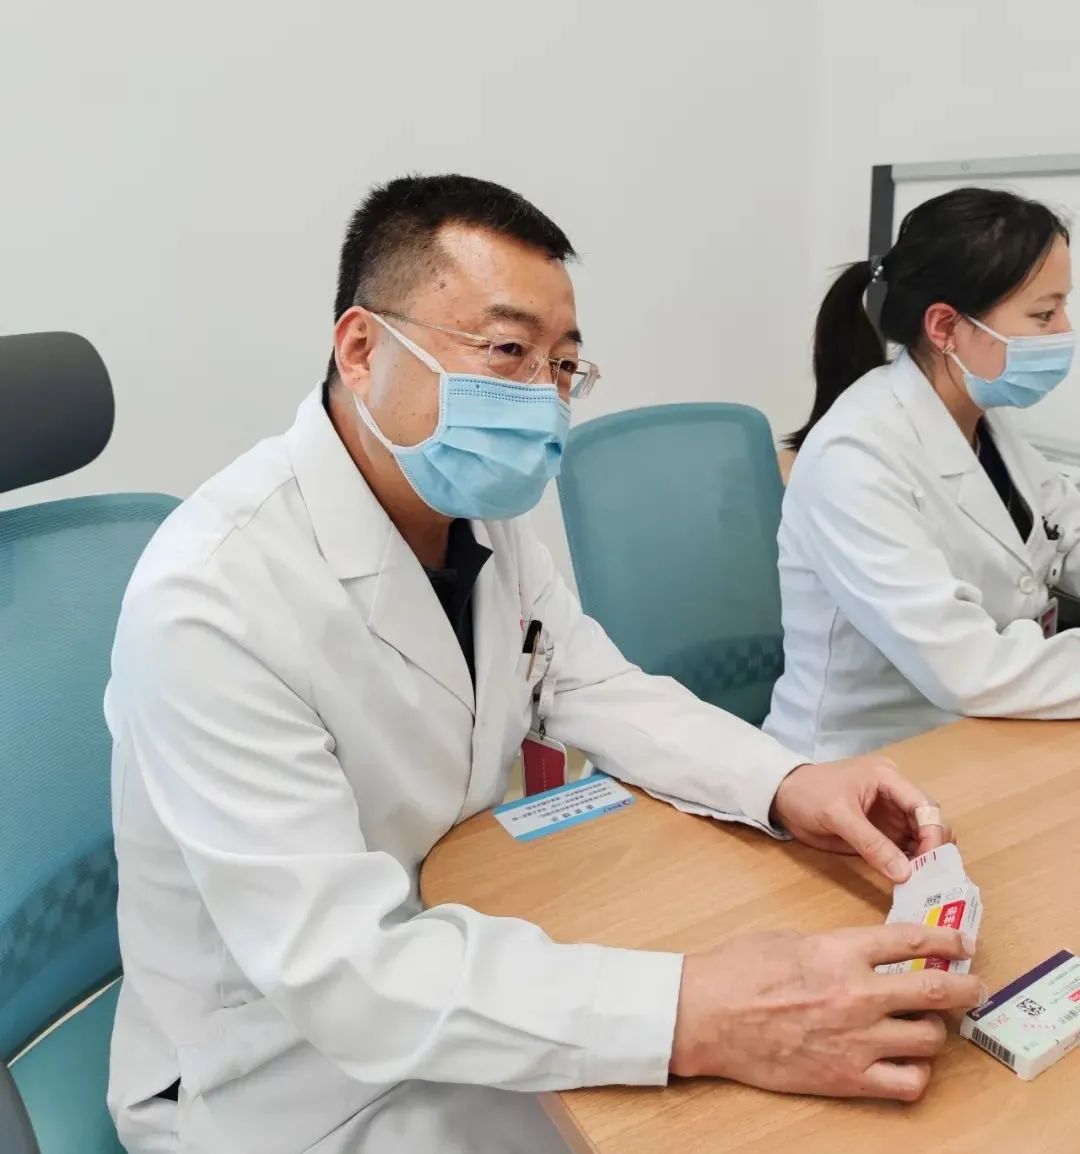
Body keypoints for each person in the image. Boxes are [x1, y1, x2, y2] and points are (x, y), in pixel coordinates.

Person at [107, 175, 981, 1154]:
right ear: (360, 348)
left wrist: (788, 782)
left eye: (563, 364)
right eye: (506, 351)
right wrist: (699, 1011)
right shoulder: (213, 597)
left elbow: (590, 683)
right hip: (286, 1078)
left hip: (457, 958)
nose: (542, 397)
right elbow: (348, 975)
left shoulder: (473, 513)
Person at [765, 187, 1080, 761]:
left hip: (979, 739)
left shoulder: (984, 422)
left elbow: (1065, 529)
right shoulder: (854, 457)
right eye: (1043, 314)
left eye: (1063, 307)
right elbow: (970, 669)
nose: (1064, 329)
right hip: (864, 764)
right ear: (944, 326)